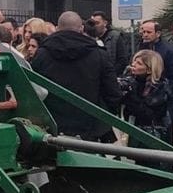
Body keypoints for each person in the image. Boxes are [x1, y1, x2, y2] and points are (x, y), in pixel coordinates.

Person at [31, 11, 122, 141]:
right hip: (89, 127)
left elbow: (34, 89)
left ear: (57, 28)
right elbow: (113, 93)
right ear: (81, 28)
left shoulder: (42, 54)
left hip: (52, 127)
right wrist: (103, 118)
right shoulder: (98, 54)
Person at [119, 50, 173, 153]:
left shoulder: (160, 87)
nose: (133, 65)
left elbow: (147, 113)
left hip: (155, 136)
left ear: (149, 69)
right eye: (134, 61)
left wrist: (131, 93)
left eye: (139, 63)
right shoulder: (135, 81)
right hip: (137, 133)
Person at [88, 11, 130, 76]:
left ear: (105, 23)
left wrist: (111, 74)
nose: (95, 26)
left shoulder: (115, 37)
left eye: (97, 23)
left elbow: (122, 60)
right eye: (92, 24)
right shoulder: (90, 38)